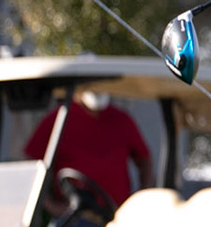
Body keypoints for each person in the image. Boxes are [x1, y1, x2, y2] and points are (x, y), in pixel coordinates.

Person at [23, 90, 152, 210]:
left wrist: (140, 200)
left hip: (116, 212)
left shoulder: (122, 120)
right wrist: (51, 205)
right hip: (75, 215)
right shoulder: (58, 118)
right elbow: (30, 162)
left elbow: (144, 159)